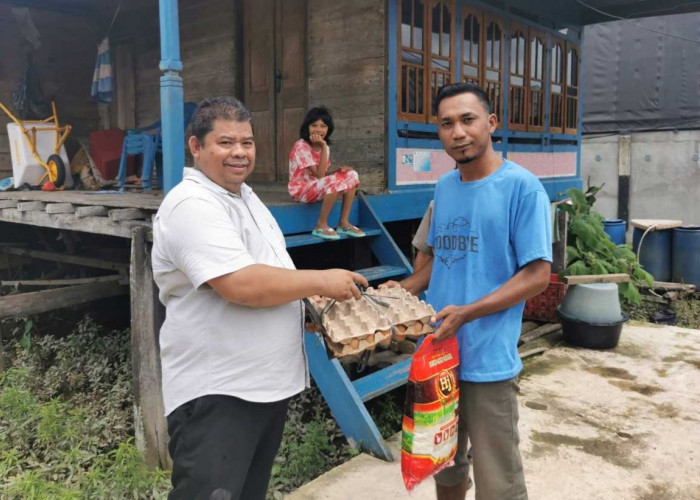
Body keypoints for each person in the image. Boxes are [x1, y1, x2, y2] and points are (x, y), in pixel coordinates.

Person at [151, 97, 368, 500]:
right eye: (225, 142)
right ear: (196, 147)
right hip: (219, 395)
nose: (239, 153)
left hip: (263, 388)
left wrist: (304, 307)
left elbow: (272, 273)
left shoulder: (245, 197)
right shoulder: (191, 204)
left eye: (247, 143)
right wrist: (321, 280)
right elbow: (241, 284)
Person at [386, 83, 552, 500]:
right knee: (443, 462)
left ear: (491, 123)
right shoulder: (444, 188)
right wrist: (391, 296)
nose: (457, 132)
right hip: (439, 353)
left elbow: (537, 276)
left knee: (499, 479)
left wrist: (469, 312)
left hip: (487, 358)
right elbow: (437, 264)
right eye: (446, 124)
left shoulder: (522, 188)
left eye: (467, 119)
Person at [288, 106, 364, 240]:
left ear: (328, 129)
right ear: (307, 127)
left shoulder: (325, 147)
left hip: (316, 186)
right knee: (334, 181)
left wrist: (338, 171)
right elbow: (319, 175)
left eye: (323, 126)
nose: (318, 129)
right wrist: (323, 147)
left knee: (352, 175)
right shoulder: (301, 146)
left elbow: (323, 174)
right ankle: (321, 225)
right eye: (314, 125)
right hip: (301, 190)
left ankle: (343, 223)